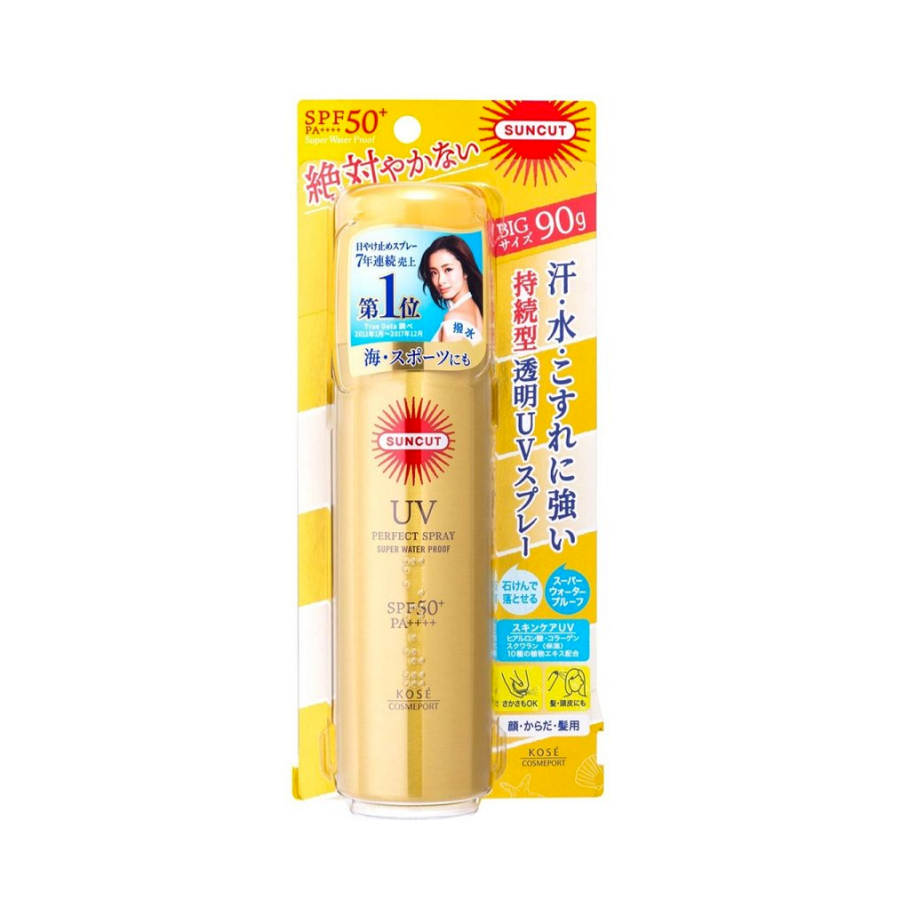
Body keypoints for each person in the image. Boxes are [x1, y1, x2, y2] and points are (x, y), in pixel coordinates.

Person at [418, 235, 484, 344]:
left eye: (448, 270)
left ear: (465, 271)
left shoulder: (454, 318)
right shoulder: (476, 310)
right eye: (434, 273)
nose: (440, 281)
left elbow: (450, 356)